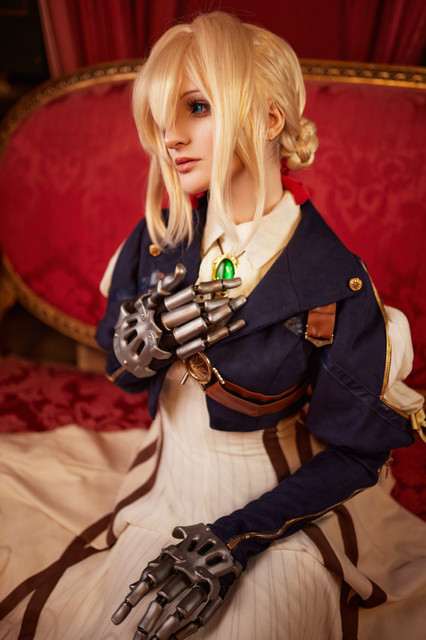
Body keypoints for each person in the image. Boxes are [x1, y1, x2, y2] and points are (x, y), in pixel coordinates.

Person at [1, 11, 425, 640]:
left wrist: (238, 537)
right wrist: (141, 348)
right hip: (164, 477)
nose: (170, 136)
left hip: (280, 501)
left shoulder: (335, 282)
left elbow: (357, 453)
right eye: (161, 116)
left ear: (270, 119)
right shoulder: (160, 238)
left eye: (197, 107)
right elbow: (118, 367)